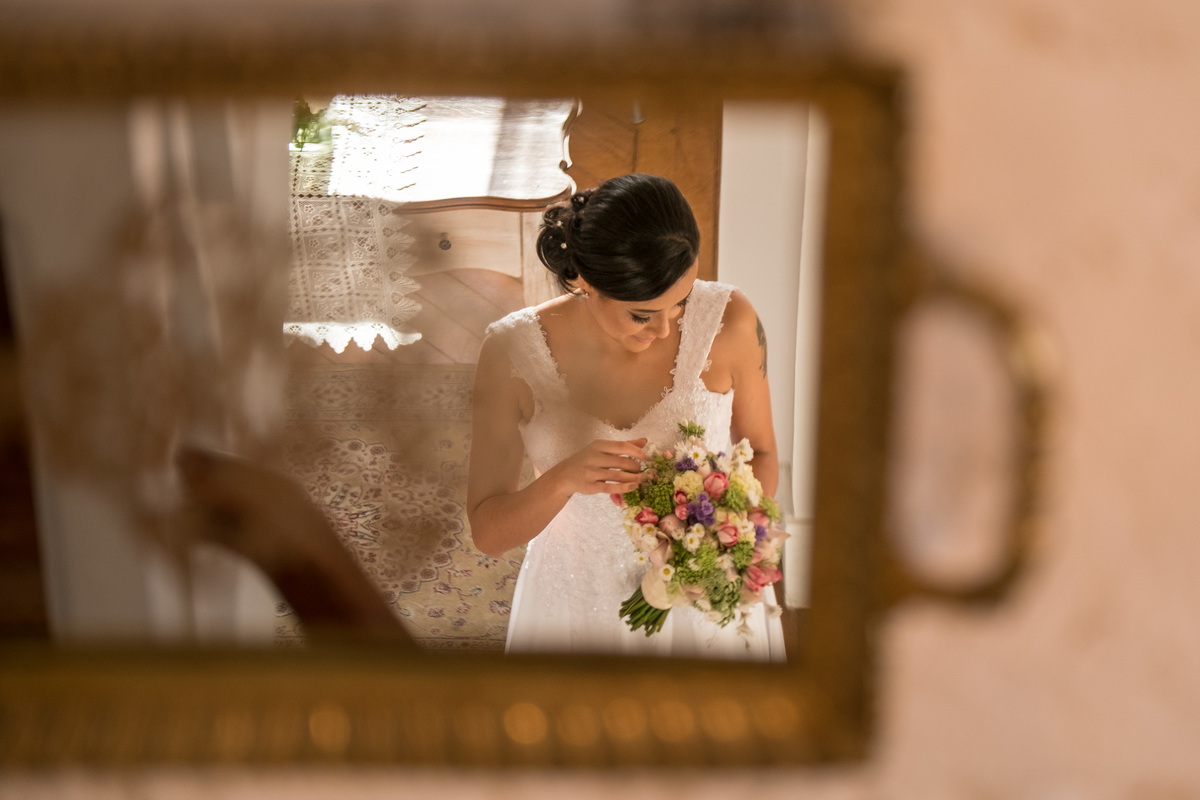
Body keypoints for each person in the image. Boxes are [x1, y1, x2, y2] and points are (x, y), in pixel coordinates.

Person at [467, 173, 786, 660]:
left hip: (701, 601)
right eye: (642, 315)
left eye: (679, 304)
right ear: (586, 280)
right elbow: (488, 534)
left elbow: (761, 453)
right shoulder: (510, 351)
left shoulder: (731, 321)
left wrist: (713, 546)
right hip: (574, 604)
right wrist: (561, 480)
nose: (665, 329)